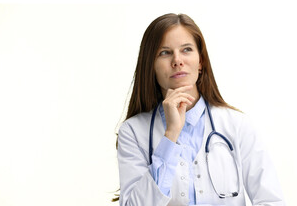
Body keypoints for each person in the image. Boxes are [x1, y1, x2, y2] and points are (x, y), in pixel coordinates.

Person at [116, 13, 285, 206]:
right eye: (164, 52)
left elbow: (271, 201)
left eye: (186, 49)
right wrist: (170, 136)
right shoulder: (133, 132)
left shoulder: (238, 125)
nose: (177, 60)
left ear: (201, 61)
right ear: (151, 65)